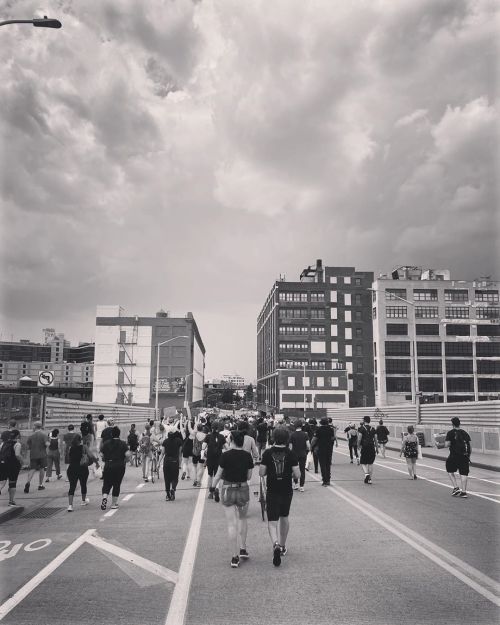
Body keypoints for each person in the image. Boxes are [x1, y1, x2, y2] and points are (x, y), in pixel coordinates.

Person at [212, 430, 254, 568]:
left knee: (231, 524)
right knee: (243, 519)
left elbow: (218, 475)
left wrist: (212, 488)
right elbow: (248, 476)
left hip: (228, 490)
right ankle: (243, 548)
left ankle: (234, 557)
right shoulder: (248, 456)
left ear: (232, 440)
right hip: (243, 489)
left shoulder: (225, 455)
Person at [260, 428, 300, 567]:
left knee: (272, 521)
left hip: (272, 490)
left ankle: (275, 543)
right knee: (284, 517)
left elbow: (261, 472)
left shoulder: (267, 453)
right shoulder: (291, 453)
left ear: (273, 438)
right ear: (287, 438)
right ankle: (282, 546)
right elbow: (297, 474)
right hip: (286, 490)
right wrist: (292, 475)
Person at [101, 426, 130, 510]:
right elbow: (128, 454)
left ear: (111, 434)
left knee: (106, 483)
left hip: (108, 465)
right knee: (116, 484)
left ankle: (104, 498)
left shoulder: (106, 443)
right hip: (119, 466)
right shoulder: (123, 443)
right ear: (119, 434)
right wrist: (126, 461)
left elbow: (102, 454)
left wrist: (105, 459)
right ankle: (114, 504)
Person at [445, 417, 471, 498]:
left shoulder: (450, 433)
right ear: (459, 423)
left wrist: (439, 444)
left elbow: (447, 445)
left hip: (454, 456)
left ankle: (456, 488)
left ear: (452, 424)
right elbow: (470, 446)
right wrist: (468, 456)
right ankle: (464, 492)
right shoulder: (465, 433)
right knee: (464, 473)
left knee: (449, 470)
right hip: (464, 456)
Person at [66, 433, 92, 511]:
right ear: (80, 440)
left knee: (72, 487)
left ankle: (70, 505)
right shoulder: (84, 447)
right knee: (83, 484)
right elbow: (91, 456)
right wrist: (96, 463)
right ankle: (83, 501)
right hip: (82, 468)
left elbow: (68, 459)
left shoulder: (70, 448)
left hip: (71, 469)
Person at [159, 427, 183, 501]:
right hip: (175, 461)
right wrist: (179, 464)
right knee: (175, 478)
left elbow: (162, 453)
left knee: (167, 479)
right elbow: (180, 454)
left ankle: (168, 495)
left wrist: (158, 463)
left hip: (166, 462)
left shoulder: (165, 441)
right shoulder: (179, 441)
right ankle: (173, 489)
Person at [0, 430, 23, 506]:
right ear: (17, 436)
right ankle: (11, 501)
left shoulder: (3, 444)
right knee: (12, 483)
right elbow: (17, 455)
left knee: (2, 481)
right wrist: (22, 462)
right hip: (13, 466)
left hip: (3, 464)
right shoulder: (17, 444)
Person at [24, 421, 48, 493]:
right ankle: (40, 485)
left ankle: (28, 482)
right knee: (42, 469)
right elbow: (47, 444)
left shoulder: (31, 436)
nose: (32, 427)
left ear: (35, 426)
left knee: (32, 469)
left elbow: (28, 447)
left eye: (33, 426)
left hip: (33, 455)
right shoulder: (44, 435)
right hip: (42, 455)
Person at [205, 422, 226, 500]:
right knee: (218, 475)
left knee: (210, 475)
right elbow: (226, 447)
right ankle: (216, 488)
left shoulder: (208, 436)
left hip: (210, 458)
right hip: (219, 458)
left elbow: (203, 446)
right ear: (218, 428)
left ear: (212, 428)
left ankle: (211, 492)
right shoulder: (221, 436)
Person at [312, 417, 335, 486]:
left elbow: (314, 439)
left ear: (321, 422)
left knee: (322, 465)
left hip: (321, 449)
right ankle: (328, 480)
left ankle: (324, 480)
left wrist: (311, 446)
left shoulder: (318, 429)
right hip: (329, 449)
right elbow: (333, 438)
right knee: (328, 465)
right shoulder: (331, 429)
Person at [289, 419, 310, 491]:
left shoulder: (292, 435)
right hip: (303, 454)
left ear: (295, 426)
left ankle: (295, 484)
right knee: (302, 470)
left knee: (295, 469)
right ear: (301, 426)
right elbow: (308, 446)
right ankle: (302, 486)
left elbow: (290, 447)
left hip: (294, 454)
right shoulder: (305, 434)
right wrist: (306, 450)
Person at [358, 416, 378, 484]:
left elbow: (359, 438)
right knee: (370, 463)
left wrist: (358, 446)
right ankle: (370, 480)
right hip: (372, 447)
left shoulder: (361, 428)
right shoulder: (373, 429)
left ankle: (366, 474)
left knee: (363, 462)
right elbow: (375, 439)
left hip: (365, 447)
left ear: (364, 421)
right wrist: (377, 448)